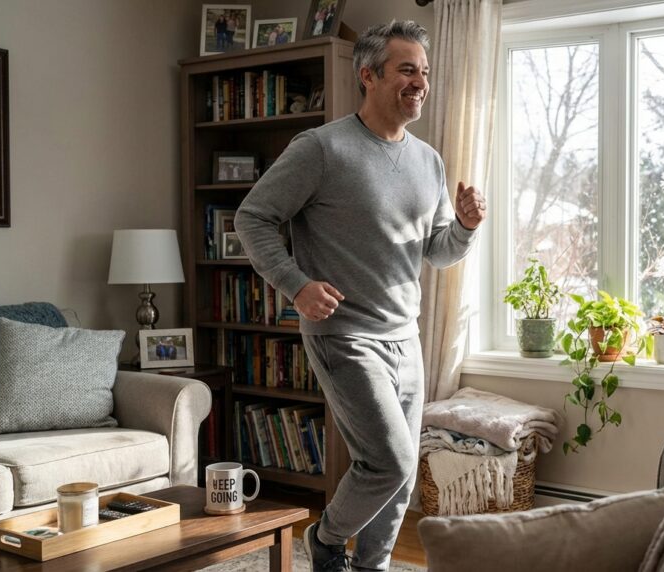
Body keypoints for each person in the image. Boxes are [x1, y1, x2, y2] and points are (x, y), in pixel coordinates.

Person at [234, 20, 485, 572]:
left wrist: (464, 227)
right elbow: (252, 217)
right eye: (407, 70)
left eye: (424, 72)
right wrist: (296, 284)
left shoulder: (428, 160)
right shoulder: (321, 148)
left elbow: (437, 251)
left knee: (400, 472)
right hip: (344, 333)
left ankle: (372, 566)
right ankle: (326, 540)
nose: (420, 82)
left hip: (405, 335)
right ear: (367, 75)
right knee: (388, 461)